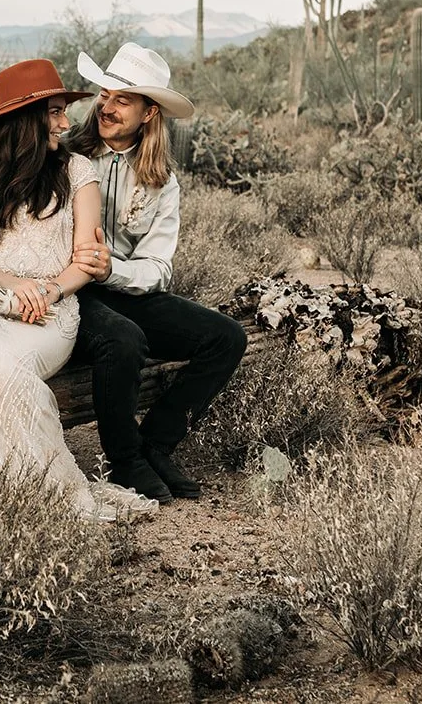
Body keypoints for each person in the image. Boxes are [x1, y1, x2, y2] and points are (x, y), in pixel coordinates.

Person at [0, 58, 158, 523]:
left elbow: (86, 262)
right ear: (25, 121)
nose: (65, 121)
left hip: (49, 315)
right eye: (54, 112)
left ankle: (35, 490)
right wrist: (11, 284)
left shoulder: (77, 172)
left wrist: (50, 290)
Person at [67, 43, 248, 503]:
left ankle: (157, 443)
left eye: (122, 100)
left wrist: (114, 271)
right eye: (105, 95)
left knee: (226, 338)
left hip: (123, 285)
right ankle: (123, 459)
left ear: (149, 113)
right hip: (70, 289)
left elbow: (157, 266)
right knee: (123, 339)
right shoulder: (67, 156)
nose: (106, 107)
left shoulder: (162, 181)